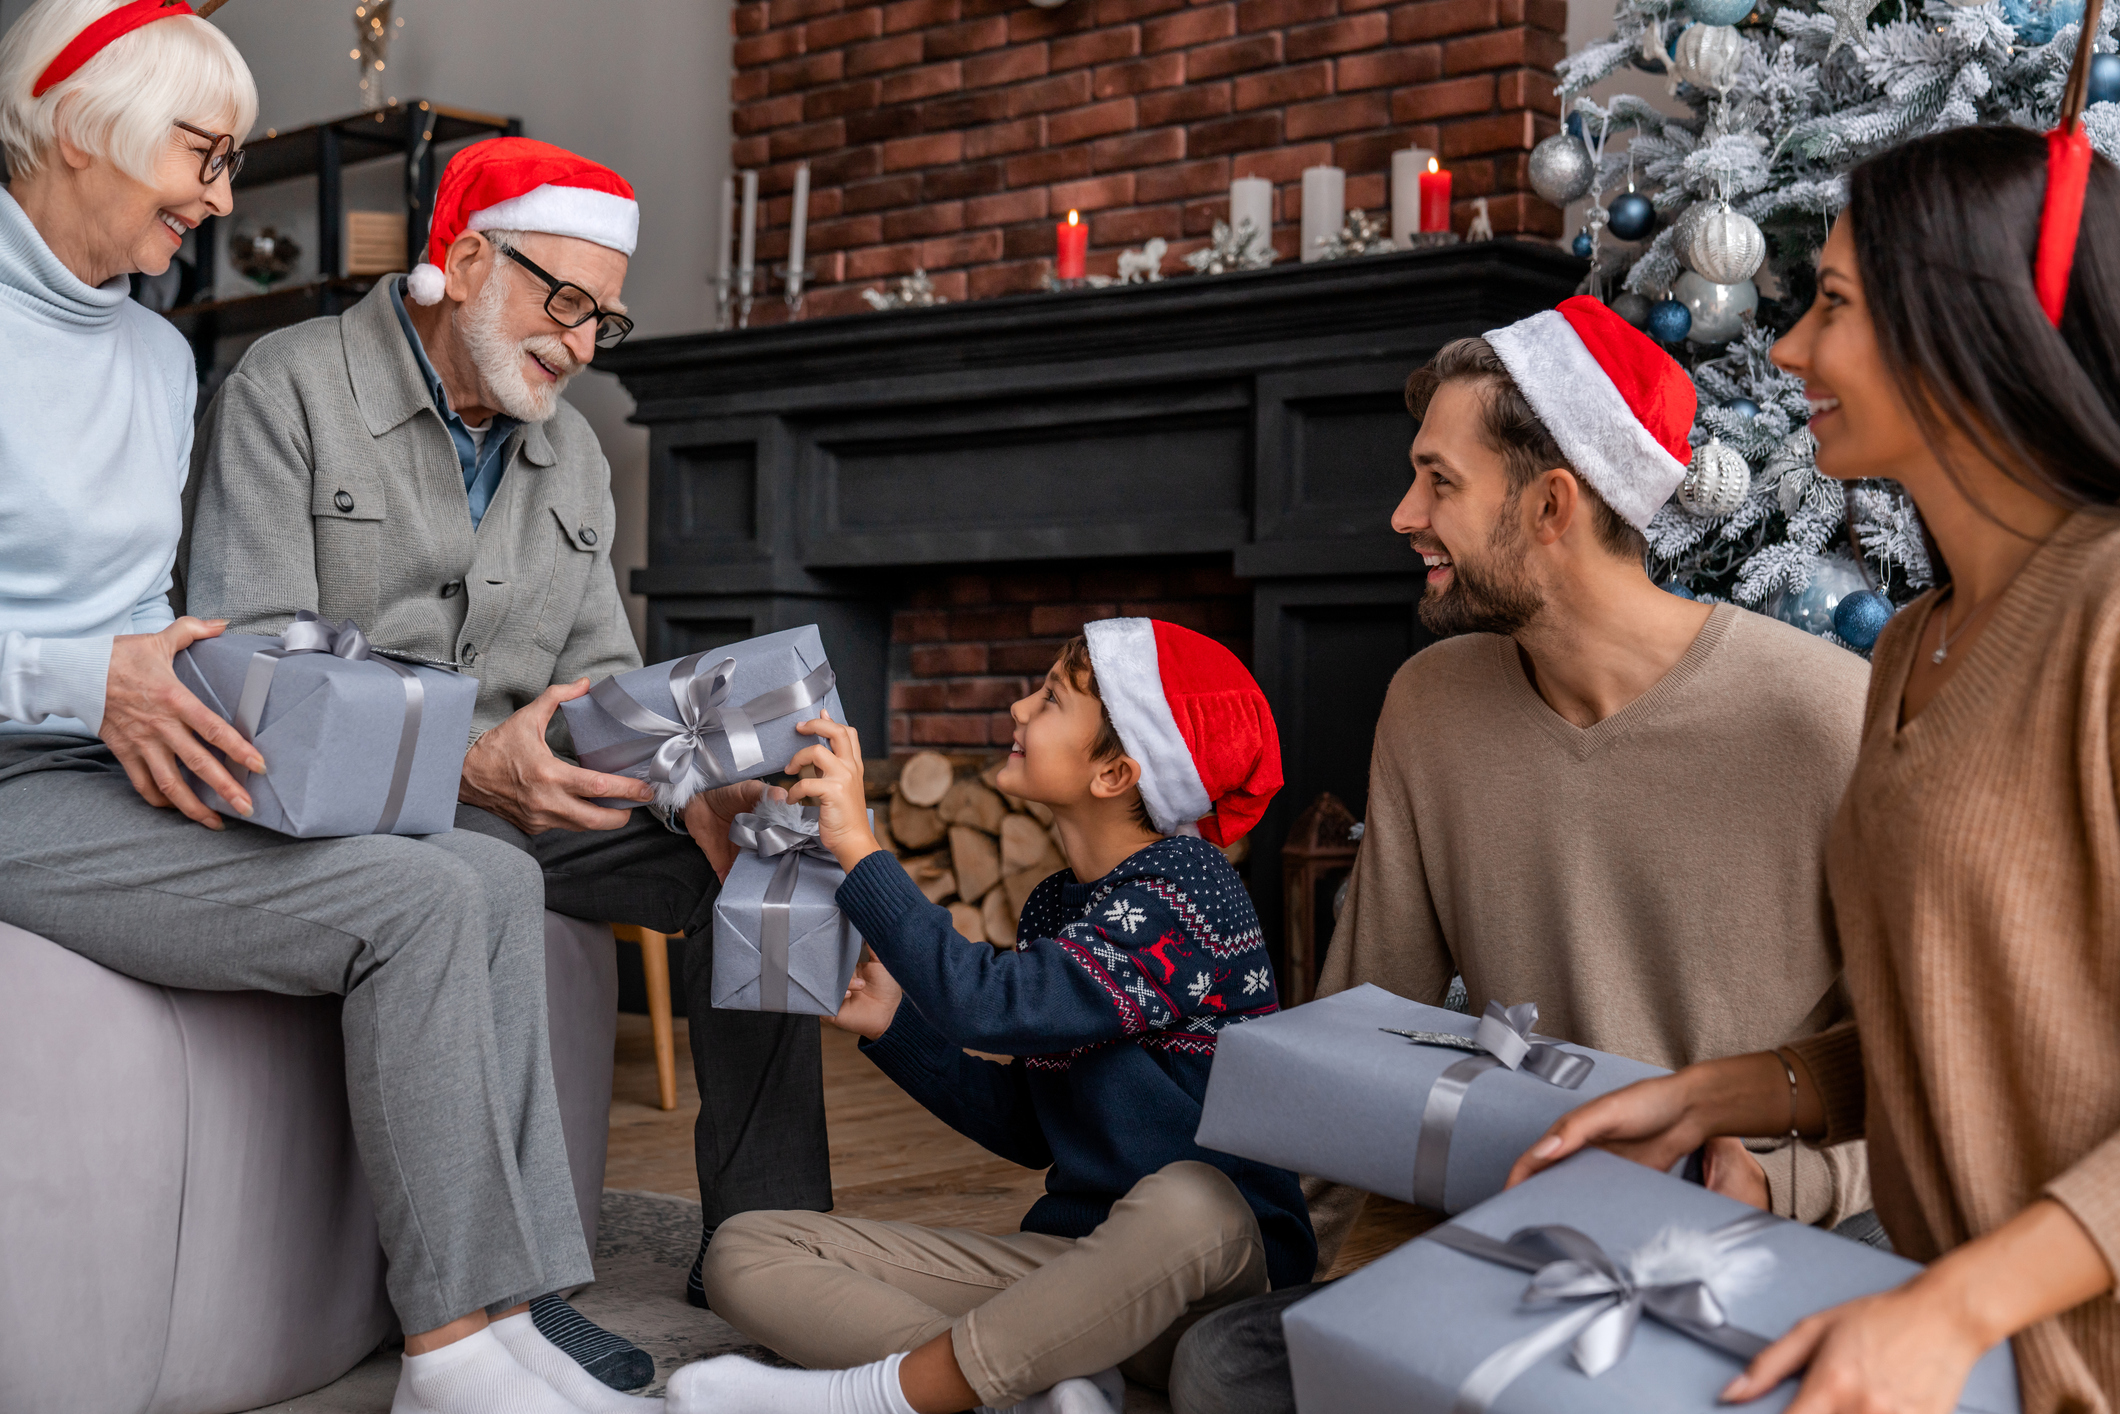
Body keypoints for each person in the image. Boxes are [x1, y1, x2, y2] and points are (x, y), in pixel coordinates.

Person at [0, 3, 657, 1411]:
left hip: (122, 762)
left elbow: (155, 631)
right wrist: (82, 679)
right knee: (423, 899)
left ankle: (511, 1307)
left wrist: (193, 685)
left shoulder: (157, 358)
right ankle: (448, 1351)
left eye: (236, 161)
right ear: (81, 124)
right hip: (20, 779)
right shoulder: (252, 381)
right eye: (204, 153)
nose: (222, 198)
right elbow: (91, 658)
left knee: (479, 872)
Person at [1168, 297, 1873, 1414]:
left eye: (1438, 480)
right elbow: (1368, 1020)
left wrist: (1786, 1177)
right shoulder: (1429, 705)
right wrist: (1256, 1251)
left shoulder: (1826, 716)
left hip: (1767, 1235)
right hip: (1535, 1237)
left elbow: (1929, 1065)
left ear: (1551, 503)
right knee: (1224, 1361)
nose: (1403, 514)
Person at [178, 134, 827, 1346]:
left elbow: (605, 675)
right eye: (565, 301)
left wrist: (700, 787)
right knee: (482, 867)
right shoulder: (288, 388)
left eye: (603, 322)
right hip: (355, 810)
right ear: (466, 259)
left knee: (768, 857)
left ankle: (772, 1248)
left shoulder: (569, 452)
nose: (583, 346)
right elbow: (250, 673)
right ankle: (512, 1298)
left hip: (529, 799)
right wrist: (468, 766)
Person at [1512, 124, 2120, 1414]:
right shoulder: (1909, 646)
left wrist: (1951, 1304)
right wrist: (1717, 1094)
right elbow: (1964, 1017)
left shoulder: (2110, 616)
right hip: (1959, 1358)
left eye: (1832, 305)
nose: (1786, 349)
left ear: (1968, 328)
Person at [664, 620, 1312, 1414]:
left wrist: (863, 851)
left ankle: (898, 1393)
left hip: (1214, 1272)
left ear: (1114, 770)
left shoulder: (1190, 887)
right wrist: (896, 1027)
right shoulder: (1056, 904)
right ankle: (1036, 1389)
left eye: (1051, 699)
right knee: (748, 1249)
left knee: (1194, 1197)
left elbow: (992, 1006)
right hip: (1075, 1267)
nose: (1017, 707)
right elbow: (1034, 1128)